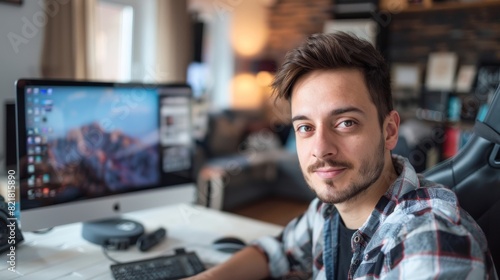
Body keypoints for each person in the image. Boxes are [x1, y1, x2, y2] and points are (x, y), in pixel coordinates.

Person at [186, 32, 498, 280]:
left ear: (389, 131)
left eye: (345, 123)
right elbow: (278, 250)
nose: (321, 148)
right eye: (306, 127)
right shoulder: (327, 211)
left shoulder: (431, 242)